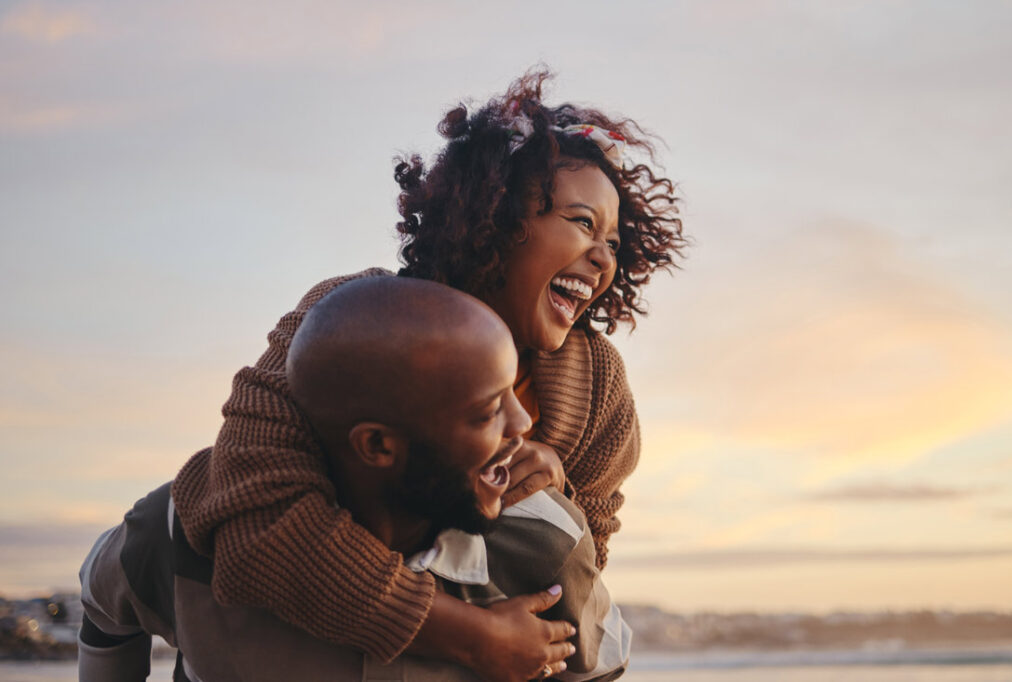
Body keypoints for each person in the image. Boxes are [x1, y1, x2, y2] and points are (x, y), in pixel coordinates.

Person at [171, 68, 685, 681]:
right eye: (580, 222)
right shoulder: (348, 320)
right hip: (287, 643)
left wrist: (560, 495)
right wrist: (468, 636)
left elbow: (580, 572)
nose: (603, 257)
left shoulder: (597, 385)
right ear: (495, 216)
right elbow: (256, 520)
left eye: (614, 240)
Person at [78, 278, 630, 681]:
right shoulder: (185, 528)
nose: (525, 424)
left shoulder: (545, 542)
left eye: (516, 390)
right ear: (378, 445)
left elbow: (599, 667)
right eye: (488, 411)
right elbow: (103, 604)